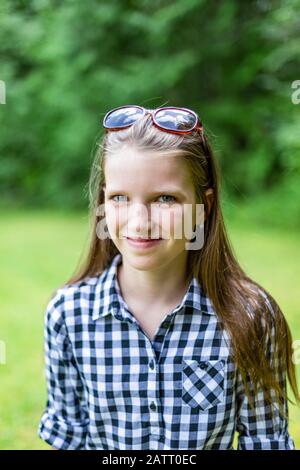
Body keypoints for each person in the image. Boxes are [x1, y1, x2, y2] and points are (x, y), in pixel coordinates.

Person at [38, 105, 299, 450]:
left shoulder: (251, 315)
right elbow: (69, 440)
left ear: (203, 206)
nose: (139, 221)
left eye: (164, 198)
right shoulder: (69, 315)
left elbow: (266, 441)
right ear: (103, 201)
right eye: (120, 197)